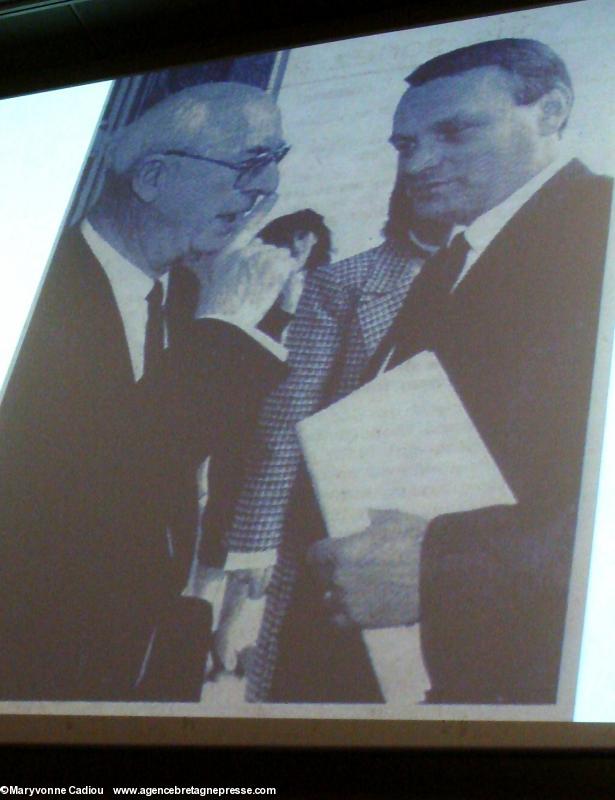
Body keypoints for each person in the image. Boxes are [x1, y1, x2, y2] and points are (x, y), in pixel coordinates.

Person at [219, 39, 613, 704]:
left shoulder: (597, 226)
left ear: (550, 112)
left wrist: (439, 568)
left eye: (456, 131)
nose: (419, 163)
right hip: (396, 667)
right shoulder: (454, 258)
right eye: (404, 145)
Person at [0, 82, 296, 701]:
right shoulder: (31, 289)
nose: (266, 193)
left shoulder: (187, 302)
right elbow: (98, 492)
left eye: (276, 165)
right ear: (152, 177)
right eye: (248, 165)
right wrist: (224, 332)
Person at [257, 209, 333, 341]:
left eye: (303, 237)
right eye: (299, 236)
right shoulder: (265, 270)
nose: (298, 246)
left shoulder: (314, 289)